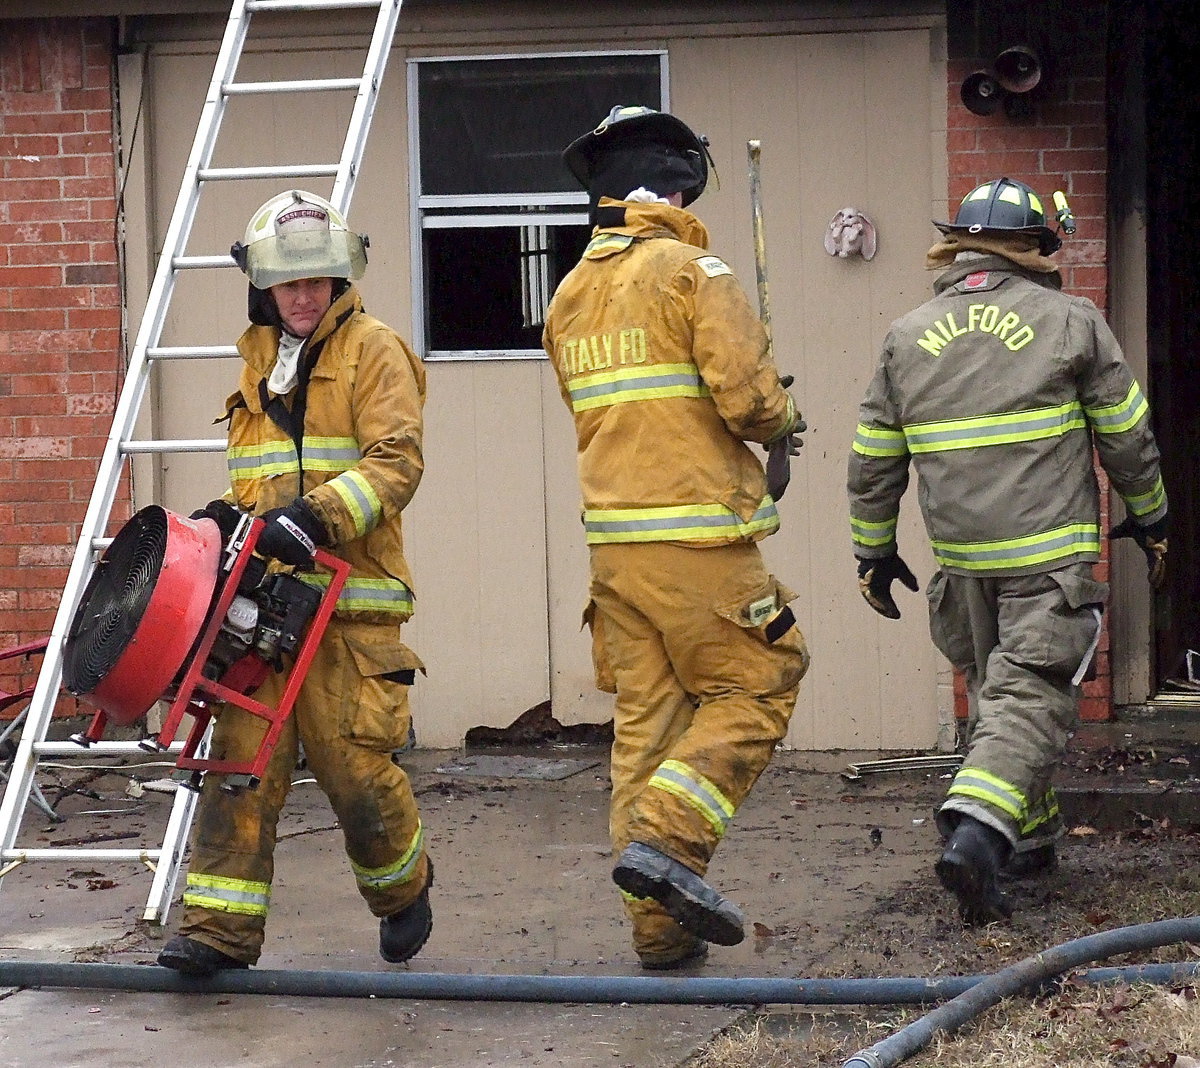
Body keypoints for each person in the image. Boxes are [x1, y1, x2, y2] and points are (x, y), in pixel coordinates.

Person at [847, 177, 1168, 925]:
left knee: (994, 695)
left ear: (957, 245)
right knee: (1030, 697)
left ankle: (1030, 840)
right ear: (1034, 248)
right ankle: (979, 834)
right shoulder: (1070, 321)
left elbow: (872, 458)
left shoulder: (907, 334)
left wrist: (873, 551)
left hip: (961, 564)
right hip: (1046, 560)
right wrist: (1151, 519)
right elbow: (1129, 436)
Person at [543, 106, 811, 969]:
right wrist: (782, 417)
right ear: (677, 186)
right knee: (763, 679)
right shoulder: (697, 272)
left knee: (648, 731)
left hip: (615, 557)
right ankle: (671, 840)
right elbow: (748, 402)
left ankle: (657, 933)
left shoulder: (569, 296)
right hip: (700, 547)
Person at [157, 189, 433, 975]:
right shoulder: (257, 365)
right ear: (264, 287)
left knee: (353, 774)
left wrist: (313, 520)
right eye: (289, 283)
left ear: (341, 279)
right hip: (264, 612)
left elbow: (396, 464)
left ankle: (403, 888)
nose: (304, 296)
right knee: (238, 763)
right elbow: (259, 484)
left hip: (351, 609)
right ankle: (218, 932)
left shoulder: (376, 352)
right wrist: (230, 521)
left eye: (318, 281)